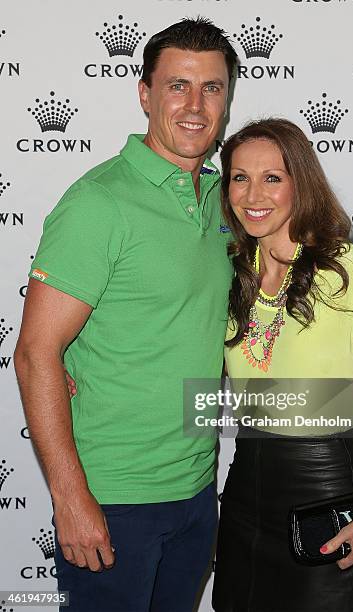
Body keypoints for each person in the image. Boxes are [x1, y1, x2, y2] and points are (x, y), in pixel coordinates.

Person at [13, 17, 237, 612]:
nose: (195, 105)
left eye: (211, 88)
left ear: (227, 99)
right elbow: (36, 353)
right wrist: (69, 497)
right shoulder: (98, 203)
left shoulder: (229, 198)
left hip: (195, 490)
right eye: (177, 85)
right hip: (111, 499)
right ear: (145, 94)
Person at [211, 118, 353, 612]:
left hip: (327, 493)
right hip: (244, 495)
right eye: (239, 177)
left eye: (272, 177)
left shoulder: (351, 270)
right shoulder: (231, 273)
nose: (252, 193)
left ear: (300, 183)